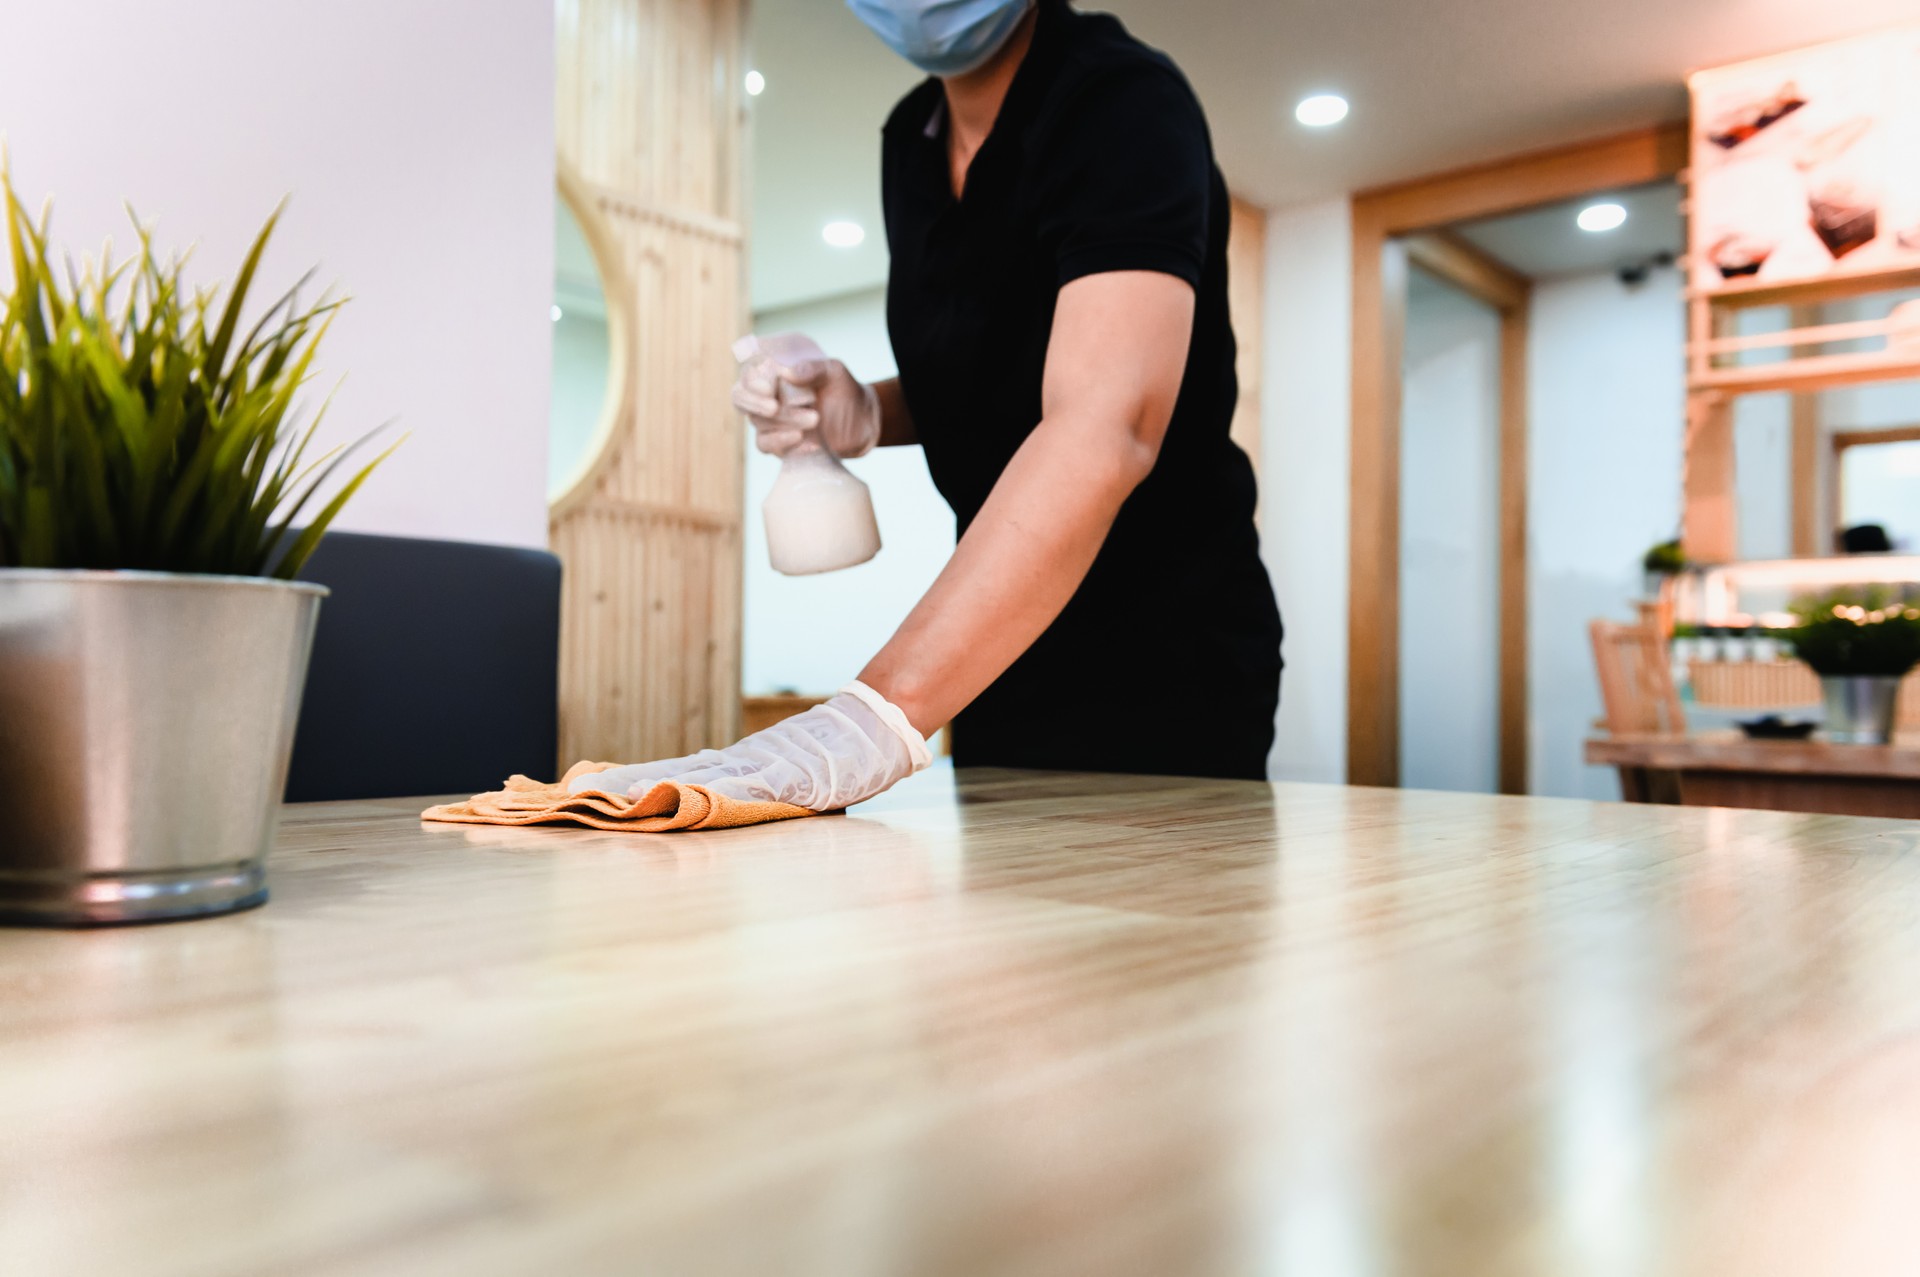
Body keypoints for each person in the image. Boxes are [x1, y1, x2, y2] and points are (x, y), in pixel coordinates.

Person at [573, 0, 1282, 809]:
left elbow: (1102, 424)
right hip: (997, 655)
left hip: (1166, 652)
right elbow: (993, 367)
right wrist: (867, 409)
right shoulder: (910, 141)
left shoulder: (1121, 101)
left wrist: (868, 718)